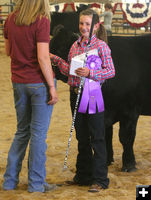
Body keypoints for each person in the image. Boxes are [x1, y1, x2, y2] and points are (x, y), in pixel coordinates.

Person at [50, 8, 115, 192]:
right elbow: (70, 71)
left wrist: (91, 73)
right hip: (75, 93)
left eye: (87, 24)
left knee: (97, 136)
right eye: (81, 23)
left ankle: (100, 179)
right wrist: (56, 60)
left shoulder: (101, 46)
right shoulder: (74, 46)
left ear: (95, 26)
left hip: (92, 92)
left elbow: (110, 71)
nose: (83, 27)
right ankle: (83, 175)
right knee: (81, 136)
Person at [3, 0, 58, 193]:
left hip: (18, 82)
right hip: (38, 83)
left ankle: (10, 181)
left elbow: (8, 51)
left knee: (22, 132)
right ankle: (36, 184)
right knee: (38, 135)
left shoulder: (9, 19)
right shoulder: (41, 21)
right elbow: (42, 57)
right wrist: (52, 86)